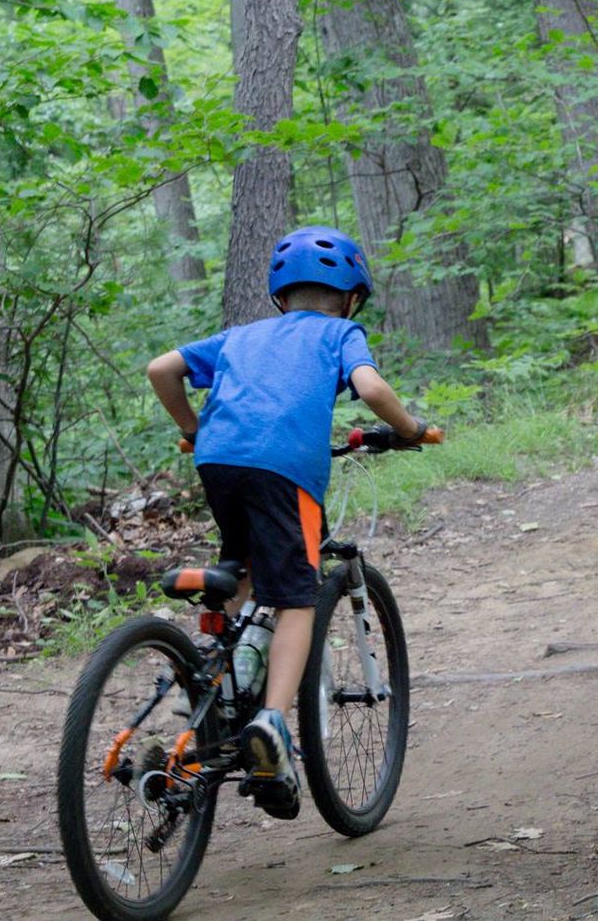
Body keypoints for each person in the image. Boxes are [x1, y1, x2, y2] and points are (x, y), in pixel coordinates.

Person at [145, 226, 431, 815]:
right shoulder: (341, 333)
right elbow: (370, 385)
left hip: (217, 461)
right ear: (351, 297)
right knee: (298, 596)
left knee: (242, 565)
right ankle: (272, 723)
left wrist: (194, 429)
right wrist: (408, 429)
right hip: (285, 471)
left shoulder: (240, 336)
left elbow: (160, 369)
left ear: (281, 295)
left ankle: (210, 684)